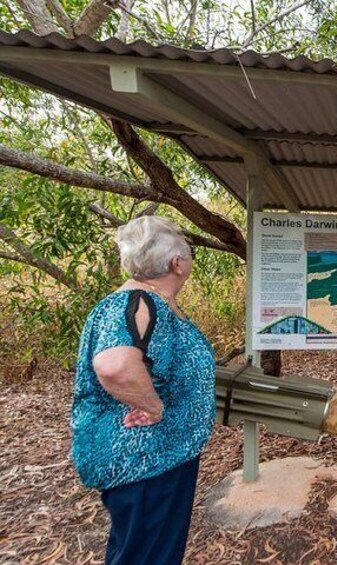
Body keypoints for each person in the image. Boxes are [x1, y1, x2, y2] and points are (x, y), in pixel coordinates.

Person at [71, 216, 216, 564]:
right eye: (188, 253)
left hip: (162, 457)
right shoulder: (136, 303)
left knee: (141, 550)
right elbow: (114, 365)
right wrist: (153, 407)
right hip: (145, 460)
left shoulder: (149, 303)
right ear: (176, 263)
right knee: (148, 555)